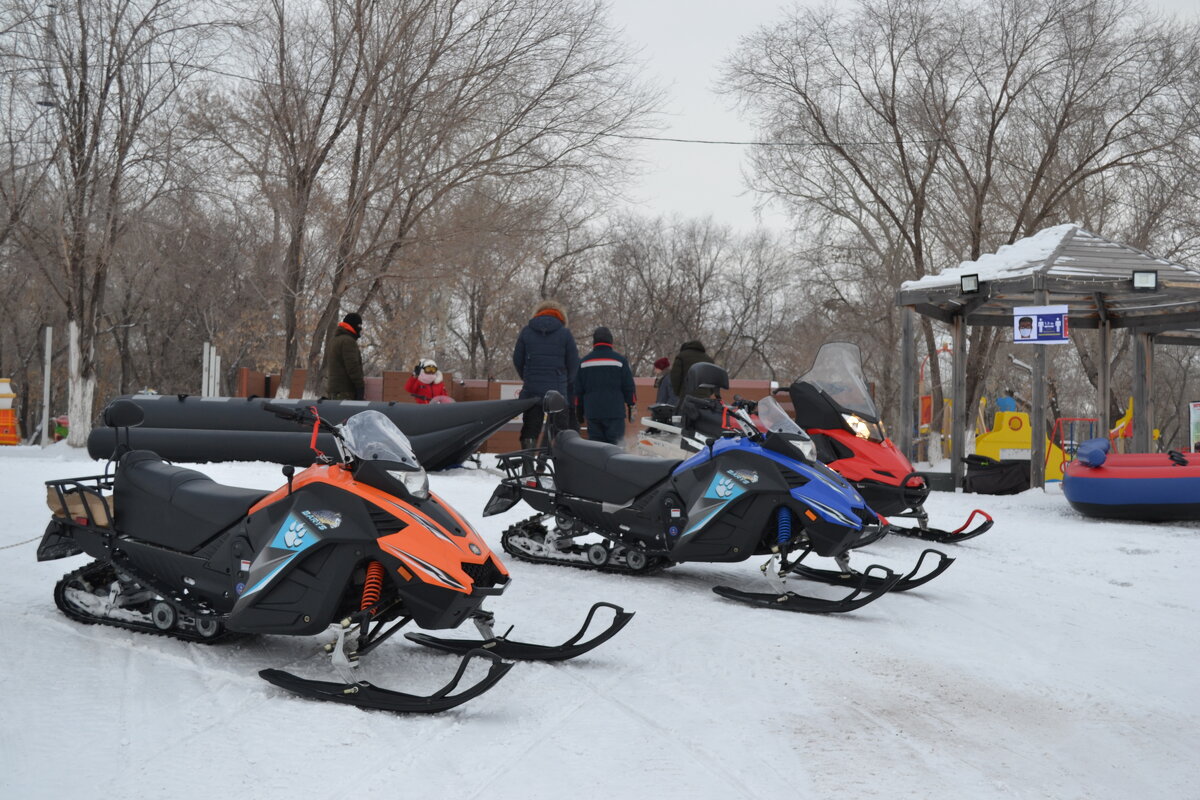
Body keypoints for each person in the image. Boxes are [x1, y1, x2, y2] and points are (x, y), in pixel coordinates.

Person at [513, 300, 579, 448]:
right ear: (561, 316)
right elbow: (574, 363)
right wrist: (564, 380)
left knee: (530, 429)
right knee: (559, 430)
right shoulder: (565, 334)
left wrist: (527, 377)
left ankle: (528, 464)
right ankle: (553, 464)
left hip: (532, 389)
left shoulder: (526, 332)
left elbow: (517, 359)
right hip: (558, 390)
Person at [576, 326, 636, 446]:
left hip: (593, 413)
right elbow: (629, 387)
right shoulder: (620, 361)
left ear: (594, 342)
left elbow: (578, 391)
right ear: (611, 341)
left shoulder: (584, 363)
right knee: (616, 449)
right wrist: (631, 406)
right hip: (615, 413)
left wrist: (579, 413)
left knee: (597, 449)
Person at [325, 312, 365, 400]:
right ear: (353, 325)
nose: (360, 328)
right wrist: (360, 386)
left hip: (334, 390)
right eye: (359, 325)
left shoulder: (335, 340)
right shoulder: (348, 341)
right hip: (345, 391)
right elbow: (352, 367)